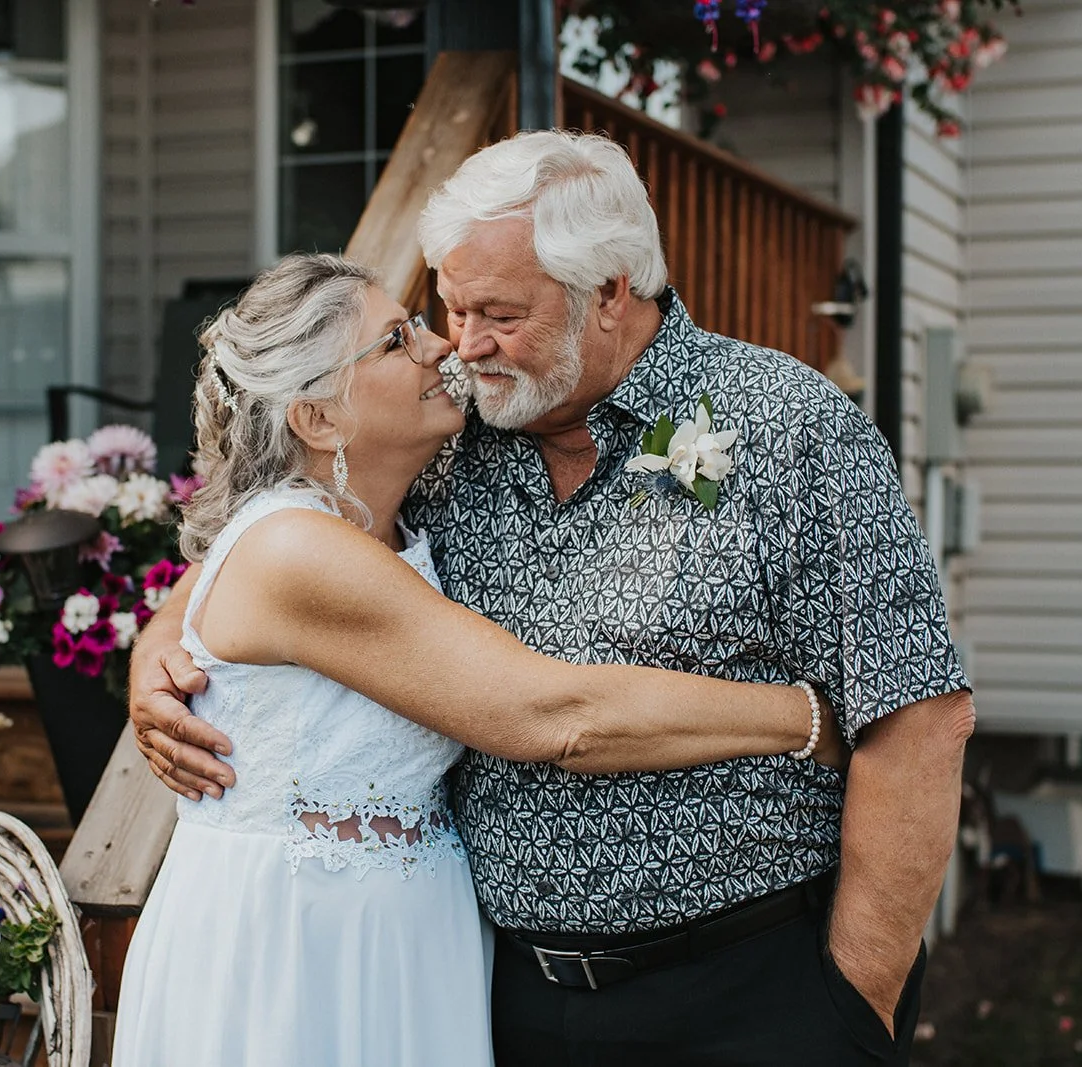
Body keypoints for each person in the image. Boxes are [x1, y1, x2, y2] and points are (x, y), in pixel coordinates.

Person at [133, 130, 976, 1066]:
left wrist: (855, 1007)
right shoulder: (455, 431)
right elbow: (283, 543)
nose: (462, 346)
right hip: (503, 1000)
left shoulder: (789, 426)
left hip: (748, 995)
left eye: (497, 312)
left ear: (611, 291)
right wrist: (162, 645)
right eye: (448, 310)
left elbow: (920, 717)